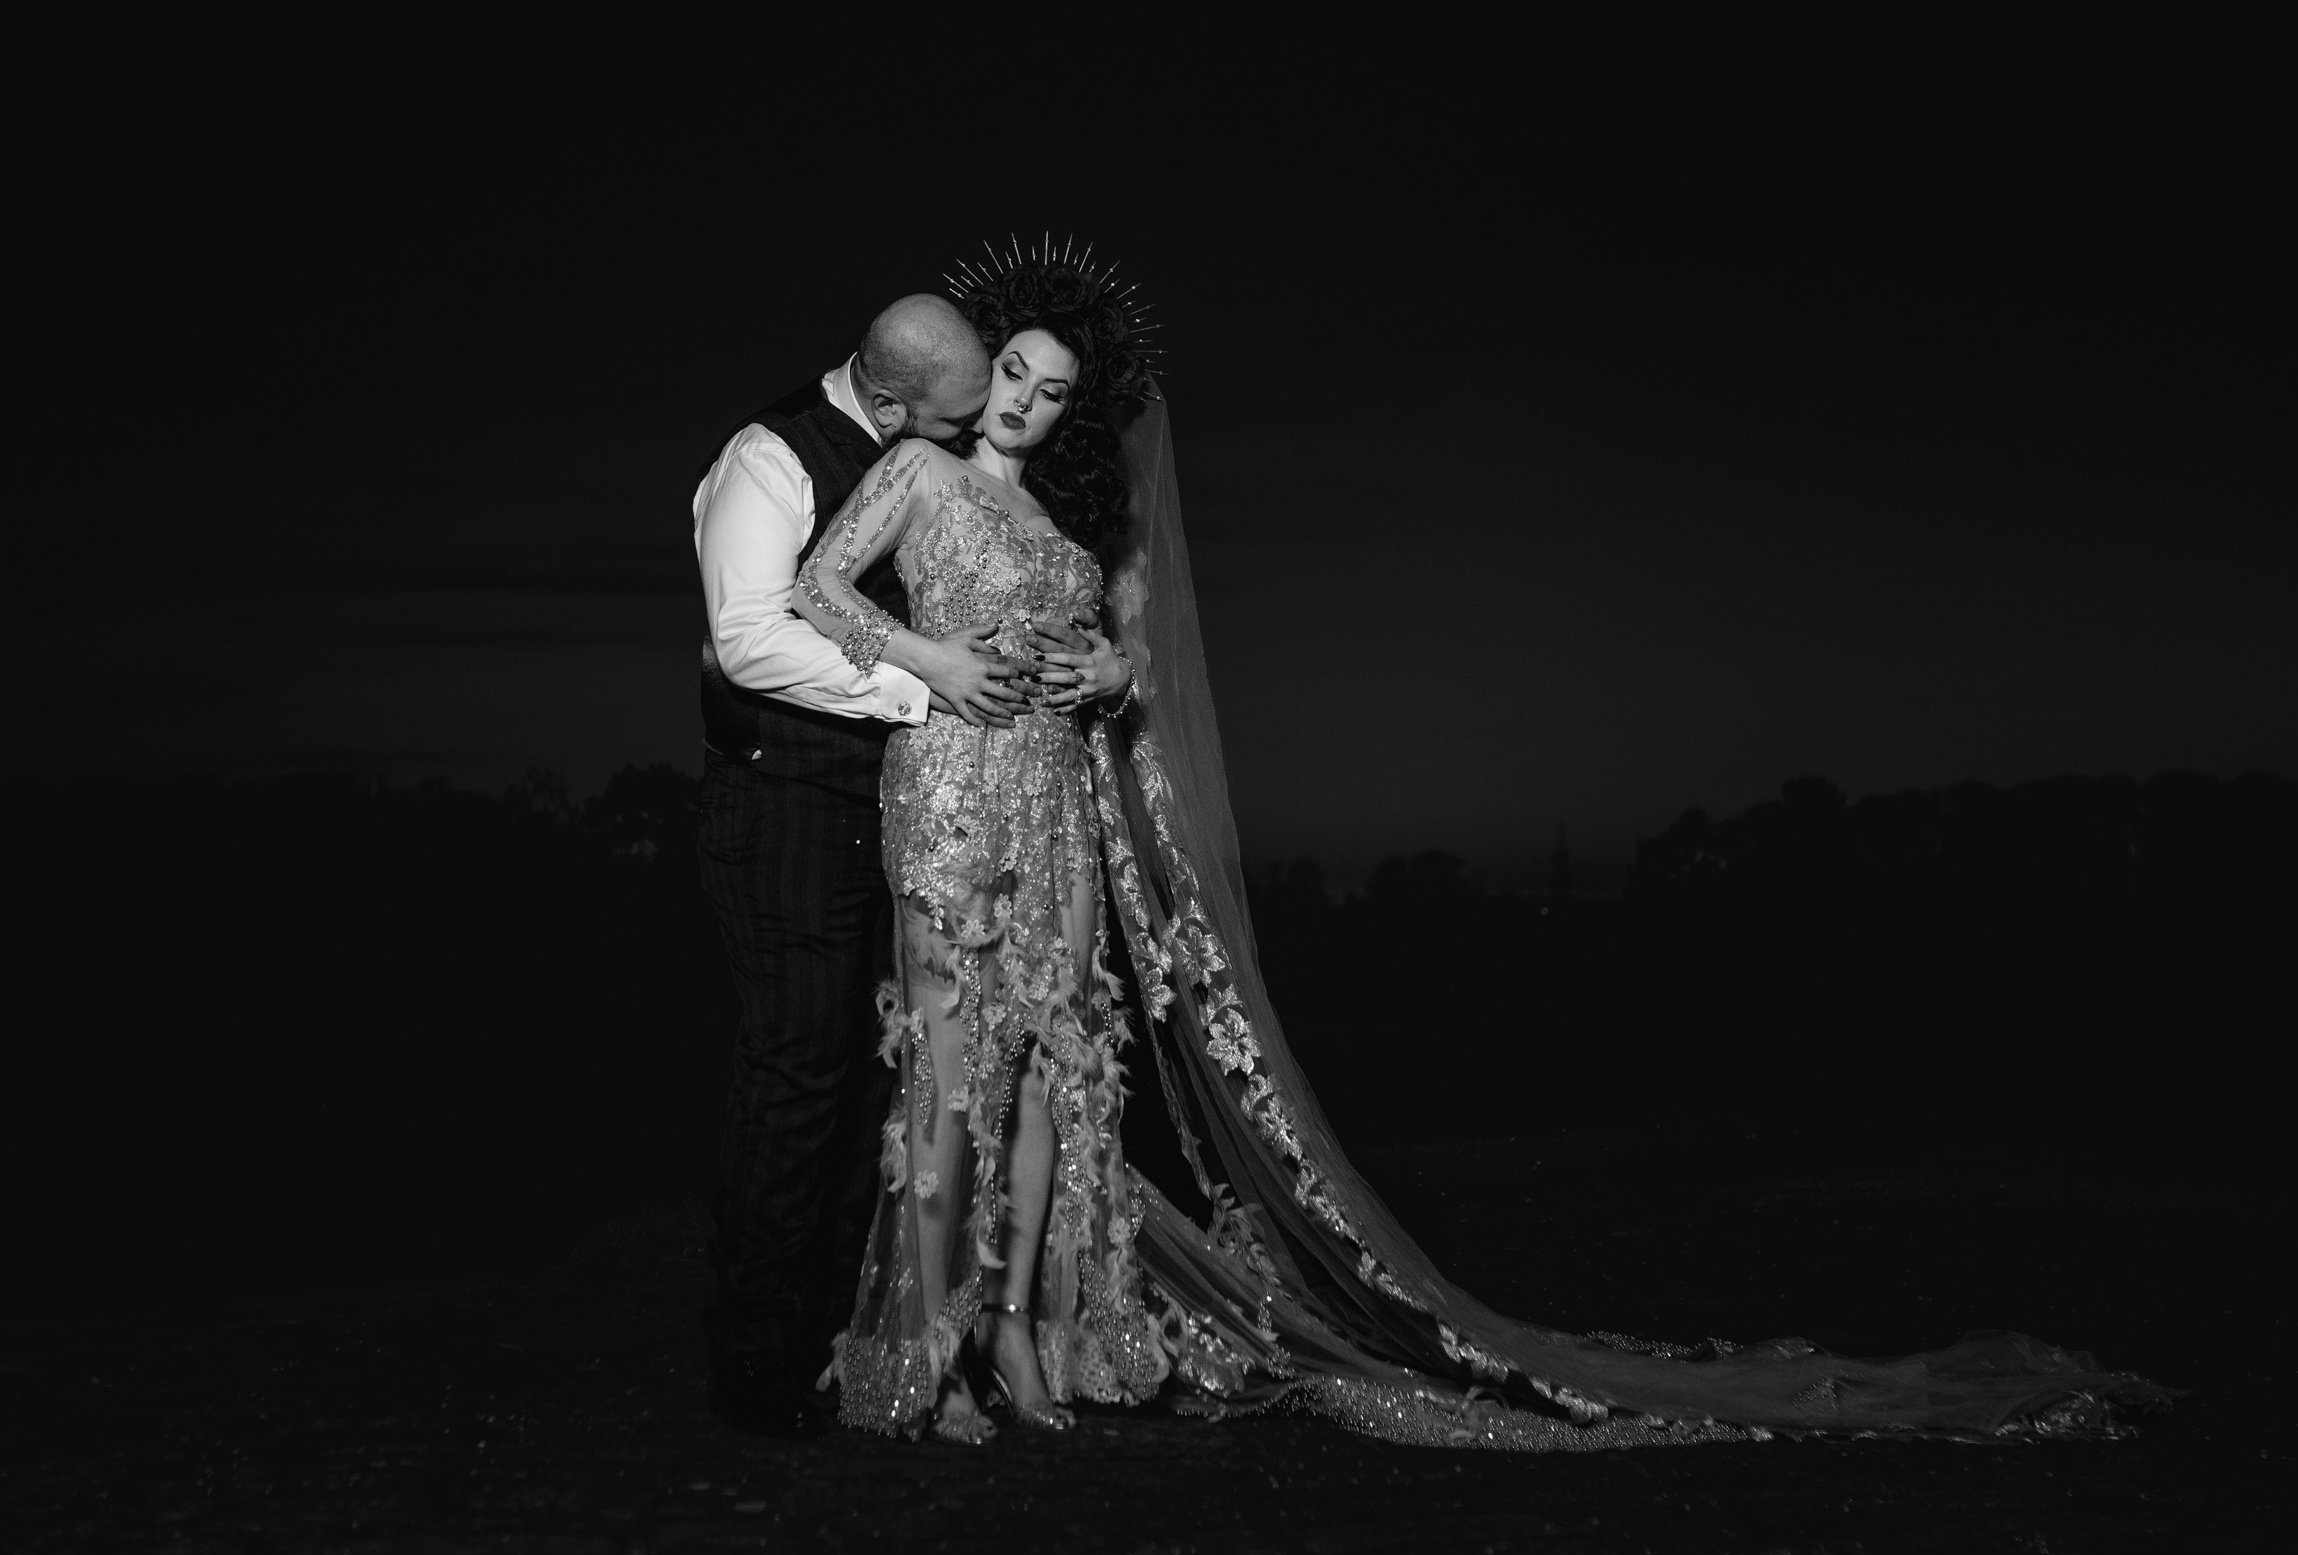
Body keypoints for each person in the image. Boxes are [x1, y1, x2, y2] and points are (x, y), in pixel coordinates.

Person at [806, 244, 2167, 1448]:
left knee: (1055, 1073)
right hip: (954, 782)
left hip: (1052, 791)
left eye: (1054, 388)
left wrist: (1104, 673)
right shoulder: (917, 470)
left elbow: (1111, 663)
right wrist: (930, 658)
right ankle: (927, 1350)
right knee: (949, 1063)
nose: (1030, 401)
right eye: (1016, 375)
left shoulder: (1053, 523)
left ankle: (1019, 1335)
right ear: (981, 372)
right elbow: (817, 588)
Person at [690, 293, 1033, 1439]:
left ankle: (846, 1342)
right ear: (889, 402)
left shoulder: (908, 449)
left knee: (871, 1082)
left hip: (886, 807)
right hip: (782, 804)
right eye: (946, 422)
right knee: (796, 1080)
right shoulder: (767, 458)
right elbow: (746, 635)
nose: (958, 439)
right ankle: (755, 1366)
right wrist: (915, 683)